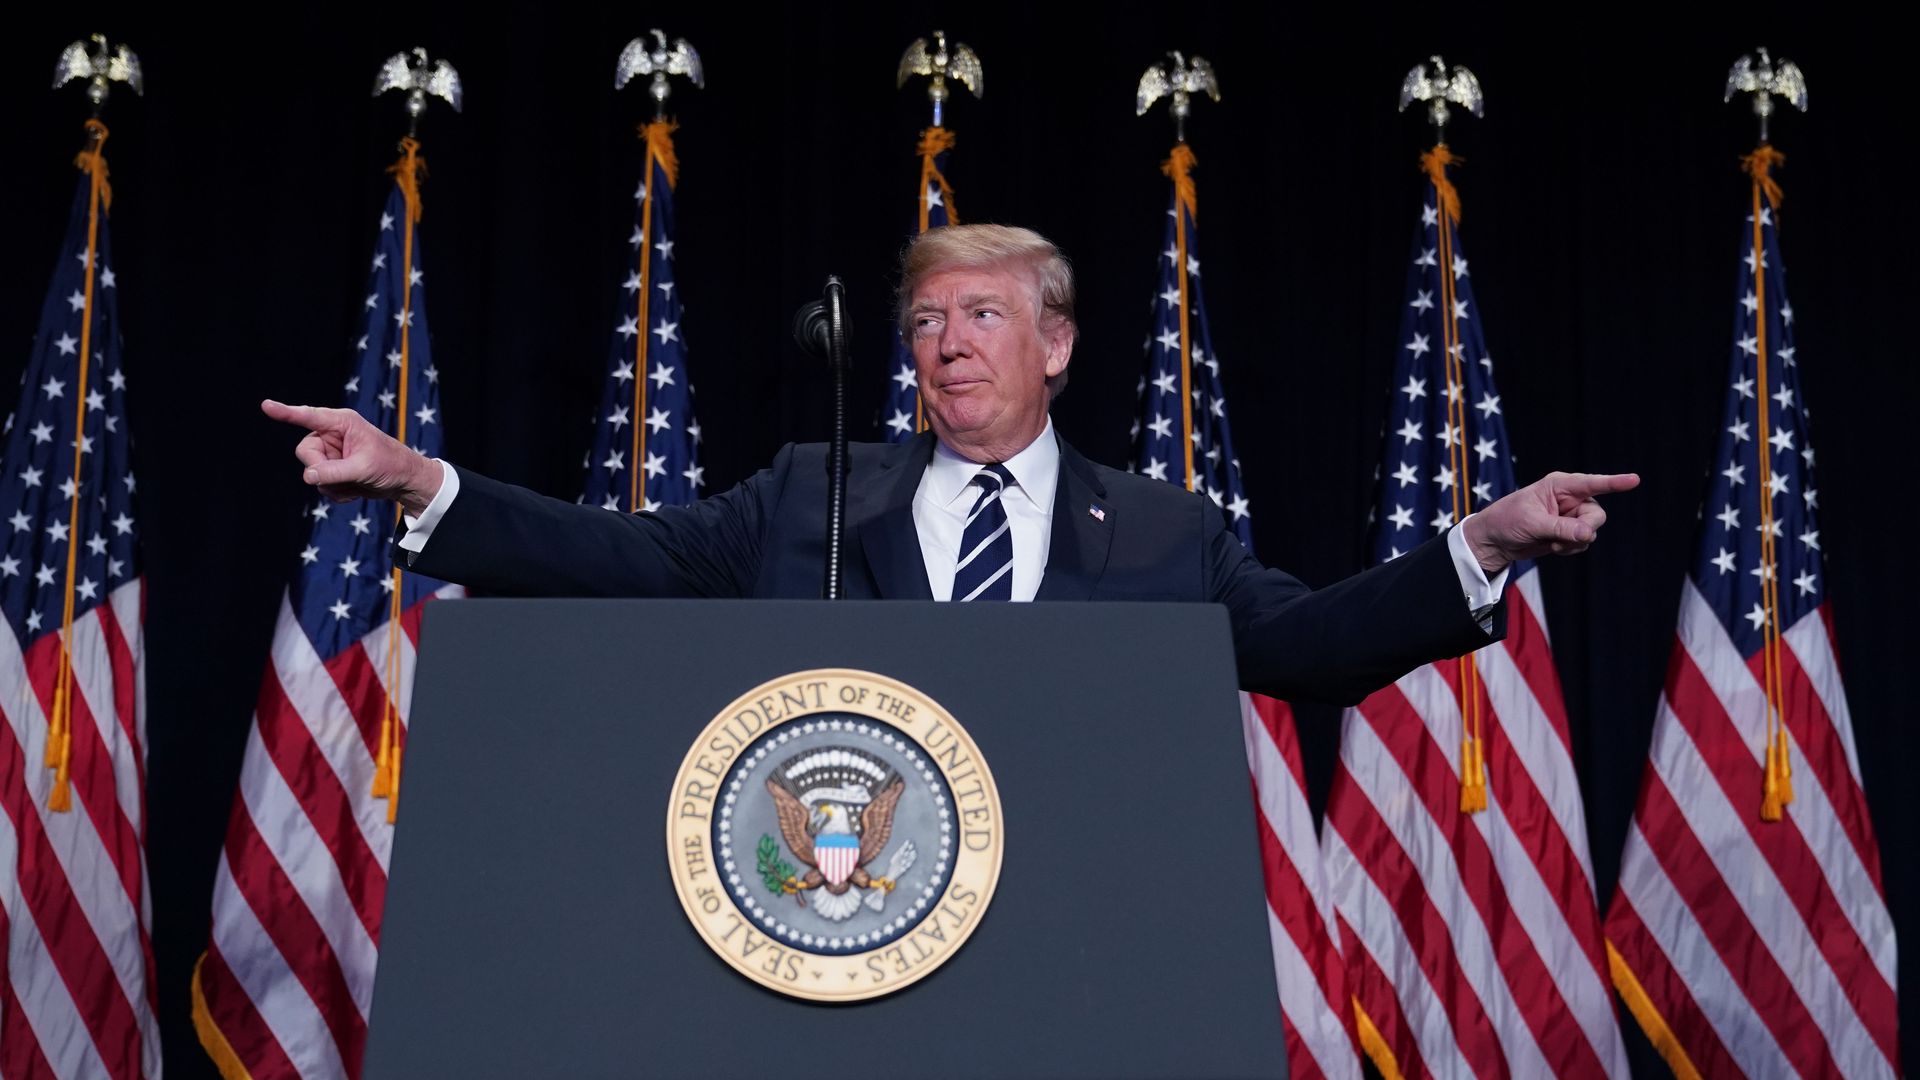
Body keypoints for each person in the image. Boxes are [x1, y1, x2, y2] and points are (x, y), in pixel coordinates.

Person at [262, 224, 1636, 704]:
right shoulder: (811, 489)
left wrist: (1486, 543)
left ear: (1058, 346)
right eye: (924, 322)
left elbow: (1315, 646)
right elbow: (623, 558)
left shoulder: (1163, 529)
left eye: (981, 316)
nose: (944, 344)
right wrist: (415, 481)